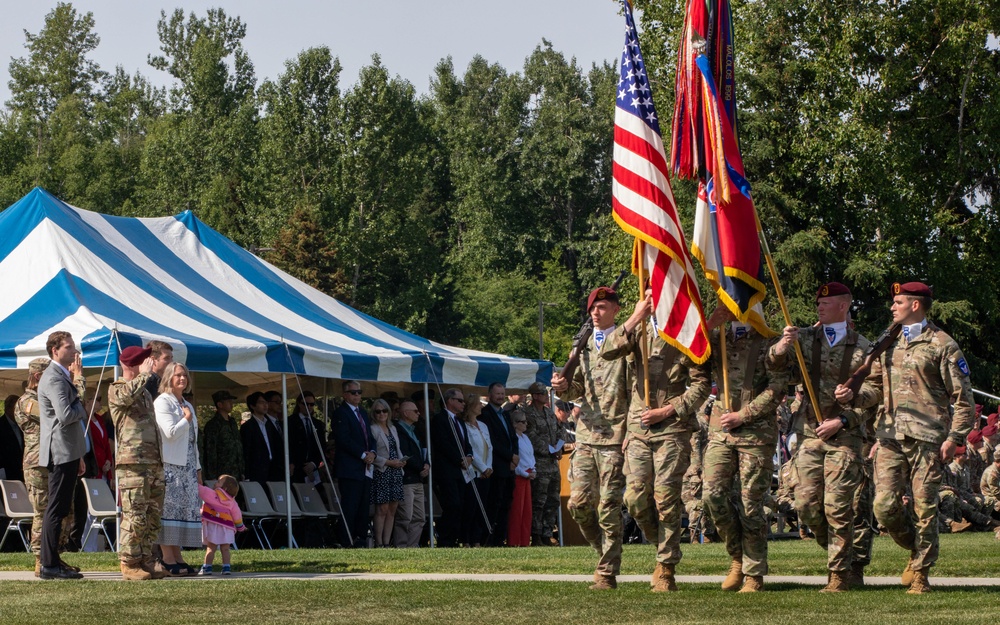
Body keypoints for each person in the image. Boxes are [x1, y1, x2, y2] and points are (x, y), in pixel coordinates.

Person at [843, 281, 976, 594]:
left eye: (899, 302)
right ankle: (917, 549)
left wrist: (954, 437)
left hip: (928, 437)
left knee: (925, 507)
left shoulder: (943, 344)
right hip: (888, 435)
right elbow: (874, 390)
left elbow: (963, 398)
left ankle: (921, 576)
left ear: (916, 305)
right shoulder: (887, 343)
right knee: (884, 506)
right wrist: (852, 395)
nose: (892, 307)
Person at [768, 282, 876, 592]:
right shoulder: (803, 340)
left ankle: (839, 574)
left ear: (844, 305)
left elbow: (876, 391)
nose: (819, 306)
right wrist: (781, 347)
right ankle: (846, 555)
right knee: (806, 505)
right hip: (808, 432)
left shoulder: (864, 347)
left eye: (826, 302)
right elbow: (777, 370)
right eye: (818, 302)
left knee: (838, 506)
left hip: (846, 436)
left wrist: (849, 405)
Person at [600, 292, 711, 592]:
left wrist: (667, 410)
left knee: (666, 499)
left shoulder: (685, 331)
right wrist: (636, 316)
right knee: (634, 499)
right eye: (648, 294)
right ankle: (661, 543)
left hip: (672, 428)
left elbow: (701, 385)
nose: (652, 298)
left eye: (657, 293)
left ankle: (666, 566)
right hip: (638, 428)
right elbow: (607, 351)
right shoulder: (639, 330)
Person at [550, 285, 630, 590]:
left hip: (615, 434)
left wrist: (632, 431)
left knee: (609, 506)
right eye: (593, 308)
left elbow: (635, 388)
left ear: (616, 310)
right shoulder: (581, 347)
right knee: (579, 504)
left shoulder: (625, 344)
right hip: (586, 435)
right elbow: (576, 390)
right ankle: (604, 553)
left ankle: (606, 572)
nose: (597, 313)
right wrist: (562, 386)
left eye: (603, 307)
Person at [109, 346, 166, 580]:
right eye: (143, 361)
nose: (149, 364)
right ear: (131, 365)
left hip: (153, 463)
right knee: (135, 515)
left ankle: (146, 560)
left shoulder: (143, 392)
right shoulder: (117, 388)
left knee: (152, 515)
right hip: (133, 463)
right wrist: (143, 375)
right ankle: (129, 562)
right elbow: (124, 398)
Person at [16, 358, 76, 576]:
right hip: (37, 463)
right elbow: (55, 416)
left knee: (63, 510)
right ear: (39, 377)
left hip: (55, 458)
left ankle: (55, 556)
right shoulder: (27, 401)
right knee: (43, 511)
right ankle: (41, 559)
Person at [37, 330, 87, 580]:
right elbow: (66, 415)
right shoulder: (55, 378)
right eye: (69, 347)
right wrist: (81, 392)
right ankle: (48, 564)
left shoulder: (60, 375)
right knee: (56, 509)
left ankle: (53, 559)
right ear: (55, 350)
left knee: (60, 508)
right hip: (59, 451)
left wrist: (78, 455)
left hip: (68, 451)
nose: (74, 351)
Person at [154, 362, 202, 576]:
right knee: (169, 511)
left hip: (189, 466)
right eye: (177, 375)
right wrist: (186, 420)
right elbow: (170, 433)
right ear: (168, 379)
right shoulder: (163, 402)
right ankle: (166, 557)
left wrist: (198, 468)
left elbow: (194, 440)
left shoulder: (187, 404)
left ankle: (178, 555)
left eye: (184, 375)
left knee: (184, 511)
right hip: (171, 465)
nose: (182, 379)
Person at [333, 380, 376, 548]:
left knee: (363, 506)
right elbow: (343, 439)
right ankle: (347, 540)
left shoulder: (363, 413)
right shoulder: (340, 413)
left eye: (359, 392)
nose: (357, 395)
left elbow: (369, 437)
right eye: (353, 392)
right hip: (350, 468)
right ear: (345, 395)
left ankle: (360, 538)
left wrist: (372, 452)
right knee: (350, 505)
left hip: (365, 467)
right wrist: (362, 454)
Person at [523, 381, 566, 546]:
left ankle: (548, 533)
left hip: (553, 464)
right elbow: (530, 436)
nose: (546, 396)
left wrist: (559, 447)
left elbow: (559, 430)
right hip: (538, 463)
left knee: (553, 500)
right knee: (538, 501)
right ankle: (537, 535)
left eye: (546, 393)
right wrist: (549, 449)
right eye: (542, 393)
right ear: (534, 396)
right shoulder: (527, 414)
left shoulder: (549, 413)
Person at [430, 388, 473, 547]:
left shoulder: (460, 421)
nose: (463, 404)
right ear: (450, 401)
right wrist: (459, 459)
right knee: (452, 504)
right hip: (447, 470)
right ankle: (445, 539)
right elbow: (442, 443)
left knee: (461, 504)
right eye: (460, 400)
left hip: (462, 471)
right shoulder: (440, 419)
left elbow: (466, 442)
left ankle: (454, 538)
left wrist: (469, 456)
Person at [480, 382, 518, 546]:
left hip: (510, 467)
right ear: (490, 395)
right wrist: (510, 456)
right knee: (494, 504)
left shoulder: (505, 414)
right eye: (498, 394)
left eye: (503, 394)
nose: (501, 397)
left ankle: (500, 539)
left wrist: (515, 456)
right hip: (497, 466)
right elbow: (492, 441)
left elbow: (513, 437)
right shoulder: (485, 414)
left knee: (506, 505)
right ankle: (490, 540)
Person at [393, 400, 429, 548]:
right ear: (406, 413)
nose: (418, 413)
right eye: (415, 411)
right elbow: (405, 453)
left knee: (419, 517)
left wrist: (427, 464)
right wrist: (421, 466)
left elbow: (422, 451)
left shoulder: (414, 430)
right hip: (406, 479)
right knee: (405, 516)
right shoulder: (397, 430)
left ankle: (412, 546)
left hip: (418, 479)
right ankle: (401, 546)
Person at [369, 398, 405, 547]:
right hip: (382, 471)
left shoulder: (393, 428)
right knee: (382, 509)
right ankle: (379, 542)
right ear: (373, 413)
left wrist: (402, 460)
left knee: (392, 509)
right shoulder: (372, 429)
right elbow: (373, 454)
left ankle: (387, 542)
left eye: (384, 410)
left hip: (396, 472)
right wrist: (389, 462)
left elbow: (397, 449)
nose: (381, 413)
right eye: (378, 411)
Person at [461, 393, 494, 547]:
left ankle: (477, 539)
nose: (481, 406)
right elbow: (471, 449)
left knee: (483, 507)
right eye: (478, 403)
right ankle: (466, 539)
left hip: (486, 472)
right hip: (472, 472)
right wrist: (482, 467)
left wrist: (489, 467)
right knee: (471, 507)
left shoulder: (484, 425)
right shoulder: (464, 426)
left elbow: (489, 447)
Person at [198, 475, 246, 575]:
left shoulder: (212, 495)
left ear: (224, 488)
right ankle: (226, 568)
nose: (215, 482)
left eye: (219, 481)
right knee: (225, 549)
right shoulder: (232, 501)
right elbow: (237, 514)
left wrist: (195, 482)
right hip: (227, 527)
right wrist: (240, 526)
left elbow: (201, 490)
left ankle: (207, 568)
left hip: (213, 526)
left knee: (211, 548)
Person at [200, 390, 244, 481]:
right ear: (220, 404)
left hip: (237, 471)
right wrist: (212, 476)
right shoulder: (213, 425)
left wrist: (242, 470)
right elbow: (210, 451)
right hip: (222, 473)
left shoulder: (232, 422)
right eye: (228, 401)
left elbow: (238, 445)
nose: (231, 403)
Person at [240, 392, 282, 484]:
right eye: (261, 402)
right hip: (256, 470)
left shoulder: (270, 425)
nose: (265, 405)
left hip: (272, 469)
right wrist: (247, 474)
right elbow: (246, 452)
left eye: (266, 402)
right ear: (253, 406)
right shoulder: (247, 427)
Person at [508, 409, 535, 547]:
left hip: (528, 476)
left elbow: (530, 457)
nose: (525, 424)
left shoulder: (526, 438)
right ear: (515, 424)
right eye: (522, 422)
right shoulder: (514, 438)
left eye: (526, 421)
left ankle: (524, 541)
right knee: (517, 511)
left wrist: (533, 469)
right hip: (519, 476)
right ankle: (514, 541)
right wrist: (524, 473)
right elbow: (515, 460)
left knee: (527, 511)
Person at [289, 391, 326, 483]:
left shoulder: (318, 424)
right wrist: (291, 462)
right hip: (295, 468)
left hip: (312, 468)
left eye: (311, 404)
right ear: (299, 403)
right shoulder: (290, 422)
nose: (308, 407)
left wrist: (314, 463)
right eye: (305, 404)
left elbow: (322, 446)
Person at [0, 394, 25, 481]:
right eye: (18, 408)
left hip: (22, 472)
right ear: (9, 408)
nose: (20, 412)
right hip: (7, 473)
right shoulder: (1, 425)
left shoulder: (22, 425)